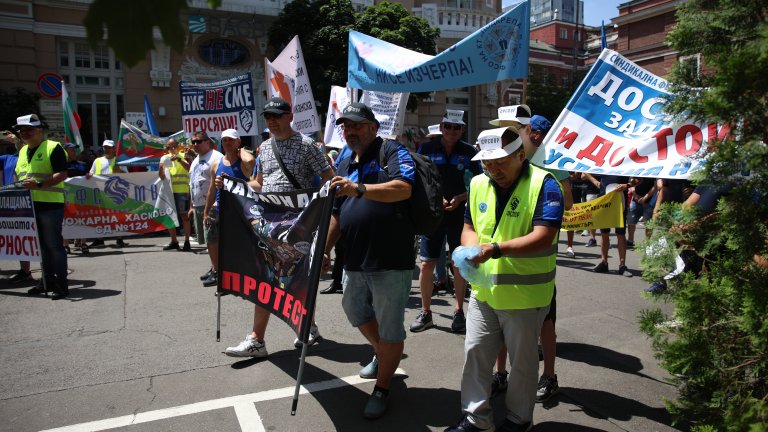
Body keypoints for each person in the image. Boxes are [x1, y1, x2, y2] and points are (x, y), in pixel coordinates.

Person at [446, 126, 563, 432]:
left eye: (500, 161)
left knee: (523, 366)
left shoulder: (545, 184)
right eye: (487, 162)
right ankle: (476, 420)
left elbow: (544, 236)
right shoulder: (477, 184)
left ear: (521, 155)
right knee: (475, 356)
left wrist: (494, 249)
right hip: (484, 292)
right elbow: (469, 226)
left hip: (526, 297)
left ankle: (518, 420)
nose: (493, 168)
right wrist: (470, 248)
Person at [322, 102, 416, 419]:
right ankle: (383, 353)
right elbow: (335, 212)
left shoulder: (391, 151)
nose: (350, 131)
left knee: (391, 330)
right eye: (345, 126)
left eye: (357, 125)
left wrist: (359, 188)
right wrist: (325, 249)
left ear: (373, 128)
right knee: (353, 309)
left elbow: (403, 189)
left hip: (390, 258)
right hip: (354, 258)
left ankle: (382, 388)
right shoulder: (345, 159)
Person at [223, 97, 332, 357]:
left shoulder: (307, 145)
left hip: (299, 223)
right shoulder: (265, 147)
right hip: (269, 223)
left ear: (289, 116)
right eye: (268, 116)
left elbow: (329, 178)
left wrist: (319, 213)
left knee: (301, 276)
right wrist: (233, 186)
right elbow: (259, 183)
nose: (271, 121)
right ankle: (257, 339)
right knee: (267, 277)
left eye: (276, 115)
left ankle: (307, 326)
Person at [486, 109, 572, 404]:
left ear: (530, 132)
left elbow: (568, 203)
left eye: (515, 128)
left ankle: (549, 376)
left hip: (535, 266)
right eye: (504, 127)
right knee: (498, 318)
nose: (508, 133)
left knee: (546, 320)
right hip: (498, 261)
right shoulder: (495, 156)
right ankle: (500, 374)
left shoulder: (550, 162)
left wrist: (544, 198)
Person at [411, 109, 482, 333]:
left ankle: (459, 310)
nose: (452, 130)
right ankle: (426, 312)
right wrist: (436, 197)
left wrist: (461, 198)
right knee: (426, 263)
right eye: (448, 126)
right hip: (433, 214)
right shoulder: (427, 148)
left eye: (457, 127)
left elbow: (479, 183)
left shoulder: (469, 151)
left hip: (460, 216)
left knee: (458, 263)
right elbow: (417, 178)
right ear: (441, 127)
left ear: (462, 129)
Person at [13, 114, 70, 300]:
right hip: (29, 207)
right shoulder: (22, 151)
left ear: (40, 130)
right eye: (21, 130)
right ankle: (47, 282)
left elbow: (62, 173)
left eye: (29, 129)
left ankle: (61, 286)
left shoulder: (53, 147)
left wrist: (38, 185)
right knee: (41, 247)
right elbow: (19, 175)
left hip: (50, 205)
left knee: (54, 246)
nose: (24, 133)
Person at [202, 129, 254, 288]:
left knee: (235, 247)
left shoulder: (243, 162)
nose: (227, 143)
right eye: (224, 140)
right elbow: (211, 190)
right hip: (220, 210)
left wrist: (241, 151)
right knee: (213, 241)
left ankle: (238, 279)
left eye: (231, 140)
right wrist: (205, 211)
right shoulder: (217, 164)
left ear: (238, 142)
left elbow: (251, 162)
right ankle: (218, 273)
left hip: (240, 210)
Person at [187, 131, 223, 283]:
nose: (195, 144)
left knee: (213, 239)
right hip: (199, 205)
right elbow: (192, 184)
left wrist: (212, 205)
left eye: (199, 141)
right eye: (193, 142)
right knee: (208, 240)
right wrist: (191, 205)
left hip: (212, 205)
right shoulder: (196, 159)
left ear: (208, 141)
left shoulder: (216, 157)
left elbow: (219, 184)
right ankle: (214, 266)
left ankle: (218, 272)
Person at [1, 130, 34, 282]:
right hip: (9, 202)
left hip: (27, 200)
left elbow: (25, 151)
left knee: (28, 236)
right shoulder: (7, 158)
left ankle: (34, 271)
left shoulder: (29, 154)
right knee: (15, 237)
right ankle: (25, 271)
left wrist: (16, 141)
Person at [582, 173, 631, 275]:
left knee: (620, 234)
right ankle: (604, 262)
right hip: (604, 202)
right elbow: (586, 171)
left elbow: (639, 179)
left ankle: (622, 265)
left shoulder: (626, 164)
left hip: (620, 203)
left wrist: (627, 185)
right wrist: (594, 181)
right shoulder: (605, 163)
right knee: (604, 233)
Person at [86, 139, 128, 248]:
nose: (107, 149)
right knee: (101, 217)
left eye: (109, 147)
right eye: (105, 147)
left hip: (115, 193)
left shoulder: (119, 161)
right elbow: (91, 173)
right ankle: (100, 239)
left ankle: (119, 239)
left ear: (114, 149)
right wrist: (88, 175)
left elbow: (127, 176)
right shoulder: (97, 161)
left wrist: (119, 171)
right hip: (100, 192)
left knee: (117, 217)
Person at [158, 138, 192, 251]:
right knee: (170, 215)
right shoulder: (164, 158)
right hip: (169, 191)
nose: (171, 149)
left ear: (178, 146)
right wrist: (161, 169)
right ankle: (174, 241)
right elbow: (161, 177)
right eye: (169, 147)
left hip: (182, 190)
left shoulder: (183, 155)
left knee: (184, 216)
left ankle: (187, 241)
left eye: (173, 146)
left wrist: (179, 160)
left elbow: (189, 169)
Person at [63, 142, 89, 254]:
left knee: (82, 220)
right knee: (65, 221)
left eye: (75, 149)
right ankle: (65, 245)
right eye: (71, 149)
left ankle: (83, 243)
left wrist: (89, 176)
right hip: (65, 197)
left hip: (80, 198)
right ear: (66, 151)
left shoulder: (82, 164)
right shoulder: (60, 165)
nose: (74, 152)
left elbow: (88, 176)